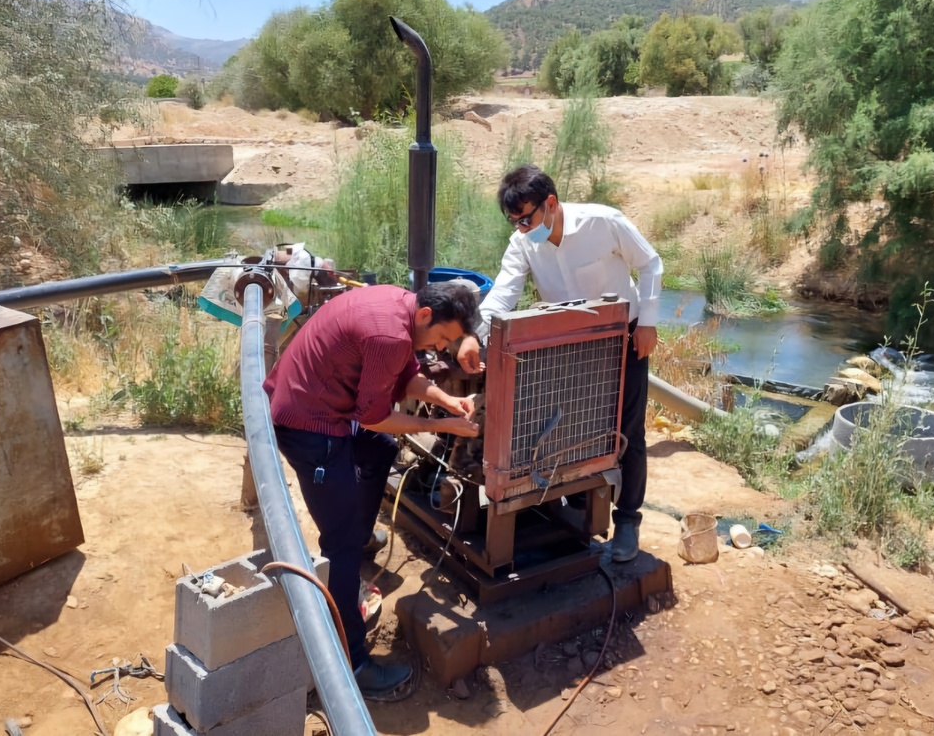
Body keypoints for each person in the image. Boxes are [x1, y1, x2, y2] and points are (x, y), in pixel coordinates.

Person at [264, 282, 481, 700]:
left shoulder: (400, 306)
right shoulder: (389, 336)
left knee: (379, 452)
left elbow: (408, 377)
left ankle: (359, 539)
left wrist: (446, 402)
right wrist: (442, 426)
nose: (441, 347)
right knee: (339, 545)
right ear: (424, 316)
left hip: (321, 403)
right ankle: (354, 664)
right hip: (309, 424)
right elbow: (376, 417)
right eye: (442, 337)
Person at [457, 164, 663, 563]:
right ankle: (581, 505)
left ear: (550, 204)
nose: (521, 228)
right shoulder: (522, 243)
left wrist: (649, 324)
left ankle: (627, 522)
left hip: (624, 335)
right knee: (570, 423)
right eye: (514, 221)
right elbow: (503, 292)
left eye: (526, 218)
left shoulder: (602, 223)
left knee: (627, 428)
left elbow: (650, 263)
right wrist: (474, 334)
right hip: (567, 344)